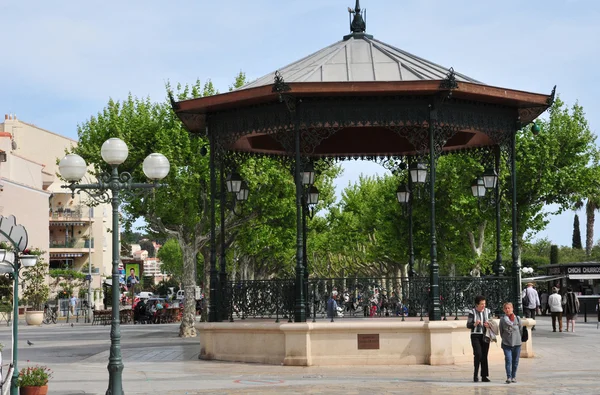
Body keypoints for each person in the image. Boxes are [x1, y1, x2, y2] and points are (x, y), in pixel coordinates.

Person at [466, 295, 491, 383]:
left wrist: (488, 325)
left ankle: (484, 376)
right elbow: (468, 325)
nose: (483, 305)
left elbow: (491, 322)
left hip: (485, 335)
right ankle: (475, 374)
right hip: (475, 335)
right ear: (477, 305)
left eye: (484, 304)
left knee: (484, 355)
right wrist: (475, 324)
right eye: (481, 304)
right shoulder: (472, 312)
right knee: (478, 354)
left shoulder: (487, 311)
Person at [499, 302, 522, 384]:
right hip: (506, 343)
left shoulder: (518, 318)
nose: (507, 310)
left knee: (515, 361)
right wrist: (506, 338)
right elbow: (501, 332)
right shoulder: (502, 320)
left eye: (509, 308)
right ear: (504, 310)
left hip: (517, 343)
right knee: (508, 360)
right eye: (506, 308)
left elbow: (520, 330)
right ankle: (508, 376)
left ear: (512, 309)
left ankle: (513, 376)